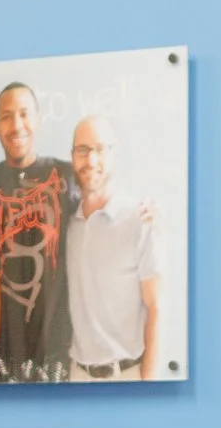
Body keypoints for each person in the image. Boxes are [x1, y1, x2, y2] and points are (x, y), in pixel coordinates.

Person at [0, 82, 79, 383]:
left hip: (56, 350)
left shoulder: (67, 174)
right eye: (6, 117)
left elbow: (102, 203)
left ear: (38, 119)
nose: (16, 125)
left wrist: (145, 213)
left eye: (24, 114)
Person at [64, 116, 162, 381]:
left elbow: (157, 307)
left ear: (115, 156)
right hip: (76, 378)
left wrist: (147, 384)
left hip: (128, 376)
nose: (91, 159)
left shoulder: (140, 219)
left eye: (100, 149)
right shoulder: (68, 225)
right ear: (72, 157)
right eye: (82, 150)